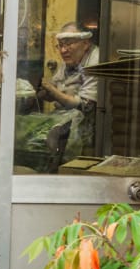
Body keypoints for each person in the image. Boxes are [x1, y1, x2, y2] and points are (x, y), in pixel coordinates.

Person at [38, 22, 100, 164]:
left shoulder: (94, 61)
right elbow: (56, 86)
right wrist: (44, 92)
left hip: (87, 127)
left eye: (69, 44)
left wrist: (52, 90)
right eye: (60, 45)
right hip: (64, 121)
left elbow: (86, 105)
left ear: (85, 44)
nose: (63, 50)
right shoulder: (71, 60)